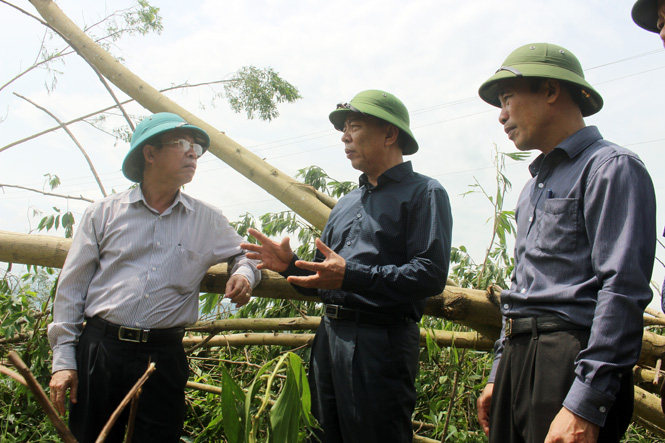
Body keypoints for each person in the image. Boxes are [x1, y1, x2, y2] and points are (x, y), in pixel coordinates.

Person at [240, 90, 452, 442]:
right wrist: (289, 265)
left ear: (389, 134)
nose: (344, 136)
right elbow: (327, 281)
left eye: (354, 126)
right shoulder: (346, 203)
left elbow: (429, 275)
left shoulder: (424, 193)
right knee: (323, 434)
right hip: (330, 338)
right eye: (344, 128)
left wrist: (351, 275)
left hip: (380, 341)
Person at [474, 43, 656, 443]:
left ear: (551, 91)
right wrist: (498, 373)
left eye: (507, 99)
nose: (501, 115)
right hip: (520, 361)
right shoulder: (531, 190)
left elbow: (622, 289)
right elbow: (522, 289)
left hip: (567, 360)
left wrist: (584, 403)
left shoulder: (610, 168)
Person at [47, 112, 261, 443]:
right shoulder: (103, 214)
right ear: (149, 153)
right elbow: (72, 289)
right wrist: (63, 360)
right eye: (182, 144)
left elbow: (247, 252)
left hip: (162, 357)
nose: (193, 153)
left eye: (196, 148)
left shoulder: (207, 220)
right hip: (101, 351)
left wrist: (245, 274)